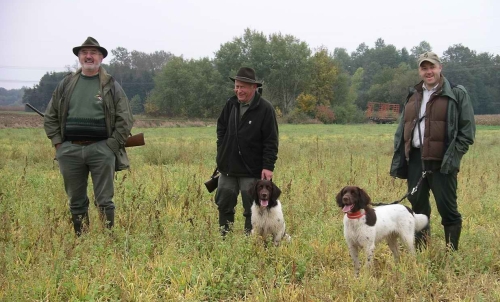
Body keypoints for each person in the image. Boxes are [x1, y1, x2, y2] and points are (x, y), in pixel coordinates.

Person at [44, 37, 134, 236]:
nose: (88, 56)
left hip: (101, 149)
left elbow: (125, 118)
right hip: (70, 150)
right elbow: (50, 116)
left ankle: (108, 240)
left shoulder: (111, 85)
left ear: (101, 57)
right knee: (76, 200)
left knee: (104, 199)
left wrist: (111, 145)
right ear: (78, 57)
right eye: (84, 52)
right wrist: (59, 144)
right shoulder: (66, 84)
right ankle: (81, 239)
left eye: (93, 53)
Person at [390, 51, 475, 251]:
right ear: (420, 71)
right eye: (424, 68)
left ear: (440, 68)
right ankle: (421, 249)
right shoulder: (413, 95)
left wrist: (452, 157)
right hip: (416, 160)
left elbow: (467, 132)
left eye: (432, 67)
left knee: (448, 209)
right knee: (418, 207)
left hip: (442, 161)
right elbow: (402, 128)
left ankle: (451, 252)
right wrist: (402, 156)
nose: (428, 72)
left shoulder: (457, 93)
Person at [215, 67, 279, 235]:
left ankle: (249, 240)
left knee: (251, 208)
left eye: (242, 87)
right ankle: (225, 237)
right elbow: (221, 127)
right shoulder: (231, 104)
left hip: (251, 170)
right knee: (224, 204)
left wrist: (268, 166)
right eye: (236, 86)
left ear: (253, 87)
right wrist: (222, 149)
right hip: (227, 169)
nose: (238, 90)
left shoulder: (265, 109)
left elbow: (271, 141)